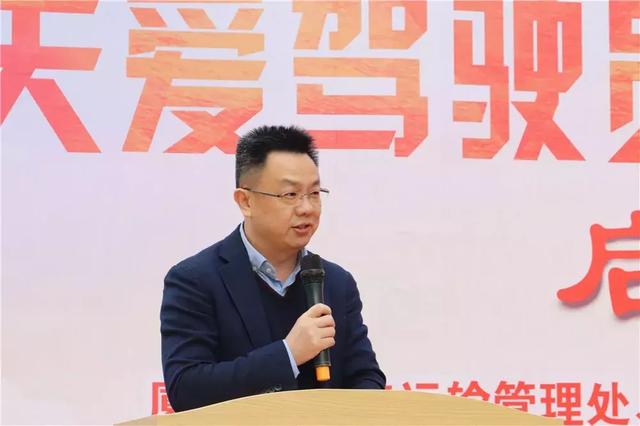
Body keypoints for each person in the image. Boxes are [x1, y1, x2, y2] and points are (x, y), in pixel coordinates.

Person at [161, 125, 385, 412]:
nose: (307, 208)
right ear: (246, 201)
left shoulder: (336, 282)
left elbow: (366, 377)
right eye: (290, 194)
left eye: (314, 193)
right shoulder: (196, 279)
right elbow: (186, 388)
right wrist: (288, 354)